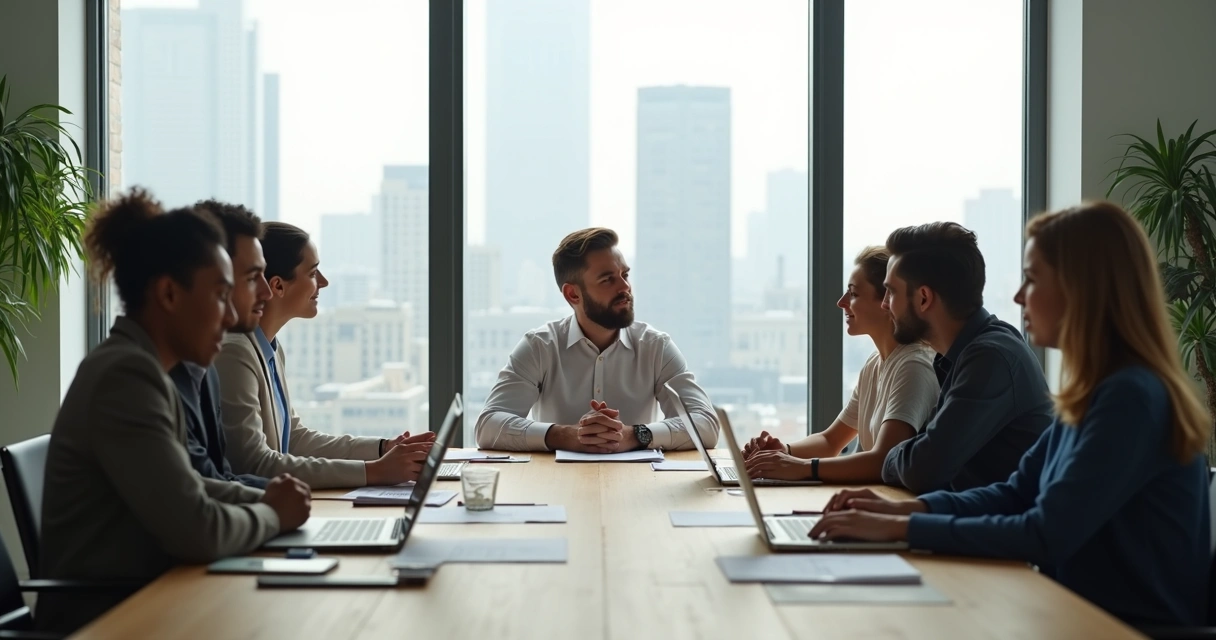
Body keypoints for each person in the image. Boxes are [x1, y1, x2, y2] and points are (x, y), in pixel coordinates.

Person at [809, 202, 1211, 627]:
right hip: (1070, 614)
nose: (1019, 296)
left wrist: (901, 529)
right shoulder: (1095, 392)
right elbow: (1015, 493)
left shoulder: (1131, 399)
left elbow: (1043, 533)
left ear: (1083, 289)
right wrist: (901, 512)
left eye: (1032, 279)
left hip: (1119, 628)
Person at [38, 191, 311, 634]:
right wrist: (274, 514)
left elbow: (193, 487)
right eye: (221, 295)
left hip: (153, 599)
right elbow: (197, 528)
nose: (229, 318)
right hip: (113, 619)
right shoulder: (126, 377)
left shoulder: (145, 368)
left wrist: (268, 499)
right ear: (168, 294)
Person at [215, 222, 435, 489]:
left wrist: (383, 448)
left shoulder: (269, 347)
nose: (324, 282)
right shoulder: (236, 352)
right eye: (313, 272)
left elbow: (294, 439)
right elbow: (254, 463)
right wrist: (374, 472)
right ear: (278, 286)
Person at [475, 227, 718, 453]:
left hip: (638, 486)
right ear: (573, 294)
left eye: (625, 275)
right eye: (607, 279)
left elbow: (706, 423)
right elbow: (487, 426)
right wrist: (565, 435)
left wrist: (635, 435)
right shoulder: (540, 347)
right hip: (555, 485)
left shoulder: (655, 346)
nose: (625, 287)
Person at [878, 222, 1052, 492]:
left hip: (1000, 529)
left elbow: (922, 469)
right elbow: (924, 455)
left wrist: (890, 456)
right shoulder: (960, 356)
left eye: (891, 291)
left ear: (923, 298)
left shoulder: (990, 358)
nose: (884, 303)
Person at [742, 247, 939, 483]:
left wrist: (803, 468)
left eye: (854, 294)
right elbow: (830, 441)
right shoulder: (875, 363)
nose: (841, 302)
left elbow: (883, 461)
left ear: (886, 301)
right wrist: (783, 452)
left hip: (887, 505)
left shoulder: (914, 367)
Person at [169, 200, 272, 488]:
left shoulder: (204, 371)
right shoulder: (139, 381)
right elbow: (197, 502)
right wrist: (277, 503)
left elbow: (218, 478)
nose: (266, 292)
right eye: (252, 277)